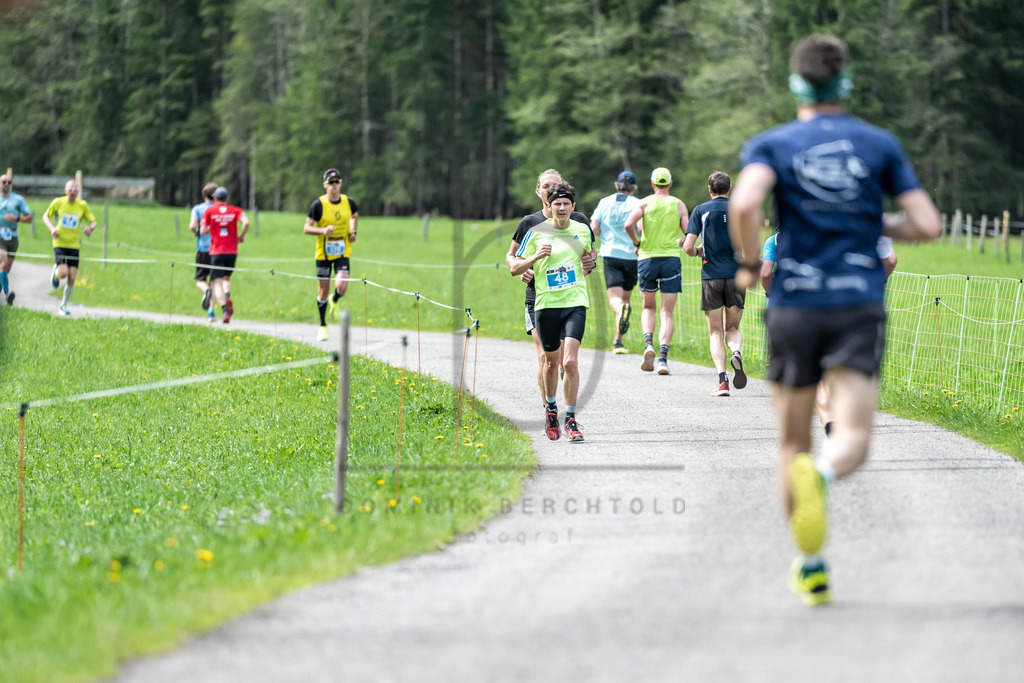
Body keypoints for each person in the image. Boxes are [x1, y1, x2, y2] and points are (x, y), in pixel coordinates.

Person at [729, 34, 941, 606]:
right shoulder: (878, 144)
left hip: (794, 306)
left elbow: (744, 204)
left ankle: (811, 565)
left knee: (791, 443)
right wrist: (868, 219)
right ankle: (824, 475)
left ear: (796, 84)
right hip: (856, 305)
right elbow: (926, 224)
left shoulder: (772, 144)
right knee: (851, 437)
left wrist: (748, 264)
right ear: (845, 83)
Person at [511, 182, 596, 442]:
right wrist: (534, 257)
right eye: (557, 203)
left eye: (566, 203)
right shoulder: (535, 232)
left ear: (573, 206)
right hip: (546, 305)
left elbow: (591, 256)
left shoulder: (582, 229)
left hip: (575, 302)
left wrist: (591, 261)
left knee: (570, 362)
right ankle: (550, 410)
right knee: (551, 363)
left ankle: (570, 418)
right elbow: (514, 267)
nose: (561, 208)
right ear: (549, 205)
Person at [681, 171, 746, 396]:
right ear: (730, 189)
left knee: (716, 333)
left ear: (710, 189)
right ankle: (736, 352)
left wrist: (698, 251)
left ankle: (723, 382)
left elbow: (688, 247)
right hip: (736, 275)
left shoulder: (700, 210)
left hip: (711, 276)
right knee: (733, 328)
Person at [623, 167, 688, 375]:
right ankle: (663, 360)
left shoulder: (643, 203)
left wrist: (637, 243)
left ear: (653, 185)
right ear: (670, 184)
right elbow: (689, 233)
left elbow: (628, 224)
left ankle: (648, 344)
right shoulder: (678, 204)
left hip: (647, 260)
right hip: (671, 260)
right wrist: (680, 241)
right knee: (667, 312)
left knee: (648, 307)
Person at [304, 169, 359, 342]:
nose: (334, 185)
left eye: (337, 181)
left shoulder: (349, 202)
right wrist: (322, 231)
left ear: (340, 184)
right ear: (325, 185)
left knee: (342, 286)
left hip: (342, 251)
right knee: (323, 291)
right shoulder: (318, 205)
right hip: (324, 254)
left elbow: (354, 216)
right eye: (331, 182)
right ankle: (322, 326)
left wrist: (353, 231)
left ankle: (334, 300)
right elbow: (306, 228)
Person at [590, 171, 641, 354]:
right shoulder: (638, 203)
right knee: (625, 298)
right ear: (633, 187)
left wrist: (603, 235)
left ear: (617, 185)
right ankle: (618, 342)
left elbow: (594, 227)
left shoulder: (604, 202)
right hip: (632, 256)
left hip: (611, 254)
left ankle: (621, 312)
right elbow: (641, 227)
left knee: (615, 300)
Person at [43, 179, 97, 316]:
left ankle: (63, 305)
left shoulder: (82, 205)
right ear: (65, 190)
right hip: (60, 243)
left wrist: (90, 229)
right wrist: (52, 229)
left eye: (75, 189)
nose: (72, 192)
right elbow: (46, 216)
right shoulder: (58, 202)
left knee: (72, 277)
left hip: (74, 245)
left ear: (78, 191)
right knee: (63, 274)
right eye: (70, 189)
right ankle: (56, 272)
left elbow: (93, 221)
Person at [200, 187, 249, 324]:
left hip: (216, 251)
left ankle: (225, 310)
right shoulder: (235, 210)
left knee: (216, 282)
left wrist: (212, 227)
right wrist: (241, 236)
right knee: (226, 278)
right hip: (232, 251)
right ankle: (227, 296)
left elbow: (202, 231)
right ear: (227, 198)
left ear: (215, 198)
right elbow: (246, 222)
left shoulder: (210, 211)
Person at [0, 173, 33, 305]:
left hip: (13, 237)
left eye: (9, 182)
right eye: (4, 182)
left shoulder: (18, 199)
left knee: (5, 269)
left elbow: (29, 218)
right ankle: (7, 293)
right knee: (3, 264)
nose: (6, 184)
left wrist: (16, 218)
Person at [188, 182, 218, 322]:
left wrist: (196, 233)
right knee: (214, 281)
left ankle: (206, 291)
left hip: (202, 249)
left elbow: (192, 226)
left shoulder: (198, 209)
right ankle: (211, 313)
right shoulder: (219, 209)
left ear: (204, 195)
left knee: (201, 280)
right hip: (217, 249)